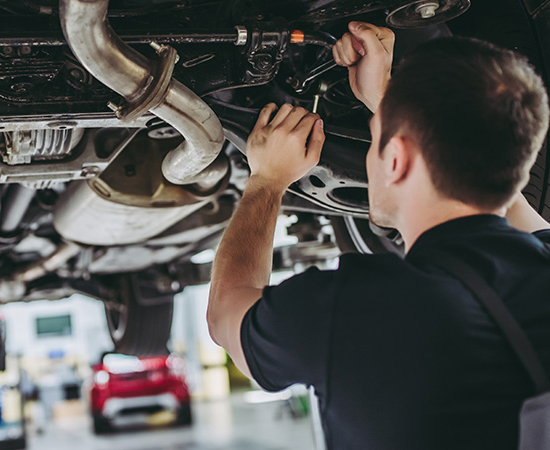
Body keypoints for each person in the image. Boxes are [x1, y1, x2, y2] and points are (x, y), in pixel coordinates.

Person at [207, 20, 550, 450]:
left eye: (373, 142)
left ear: (396, 158)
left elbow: (225, 315)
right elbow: (498, 176)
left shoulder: (352, 309)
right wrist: (389, 105)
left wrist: (267, 180)